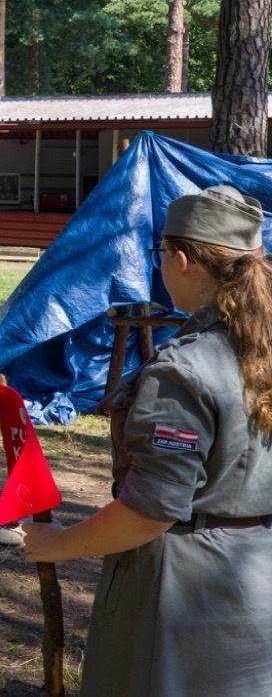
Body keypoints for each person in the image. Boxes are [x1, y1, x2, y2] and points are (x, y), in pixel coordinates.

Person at [24, 184, 272, 697]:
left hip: (188, 592)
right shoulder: (258, 348)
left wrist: (58, 545)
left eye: (160, 253)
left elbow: (152, 510)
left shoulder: (183, 370)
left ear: (181, 259)